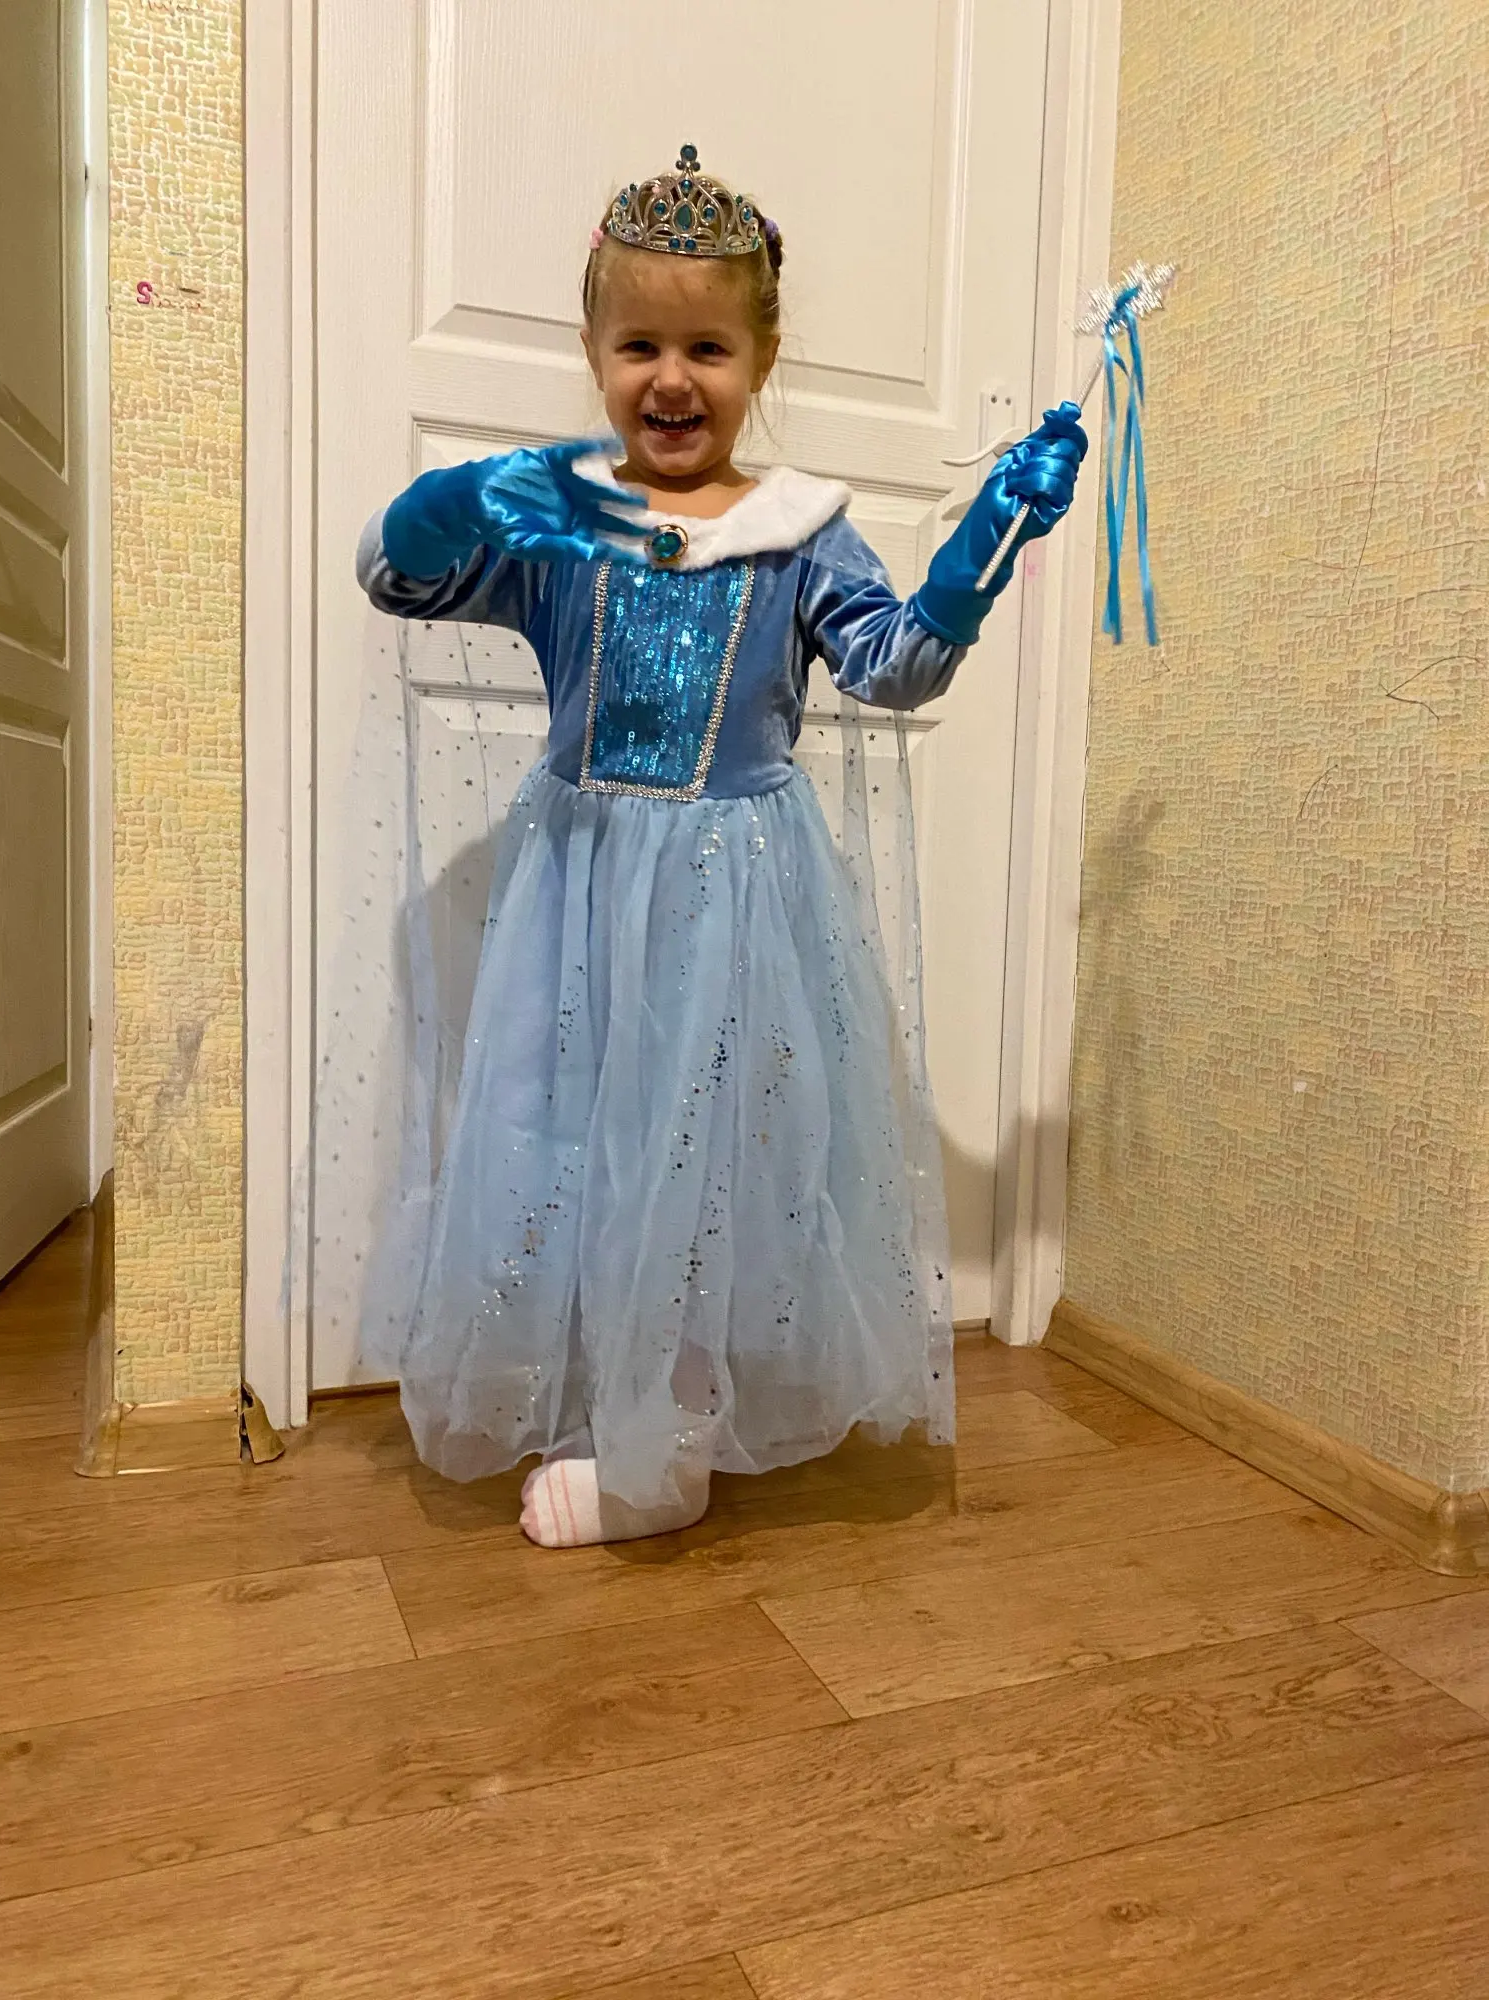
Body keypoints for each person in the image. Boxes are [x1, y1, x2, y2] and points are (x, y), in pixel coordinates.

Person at [355, 144, 1086, 1547]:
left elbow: (895, 666)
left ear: (762, 360)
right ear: (592, 353)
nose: (671, 379)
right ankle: (614, 1404)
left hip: (730, 899)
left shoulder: (798, 533)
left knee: (701, 1168)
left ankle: (661, 1456)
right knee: (573, 1146)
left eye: (707, 348)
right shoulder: (567, 525)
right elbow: (400, 580)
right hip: (577, 893)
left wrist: (982, 543)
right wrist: (458, 500)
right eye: (638, 346)